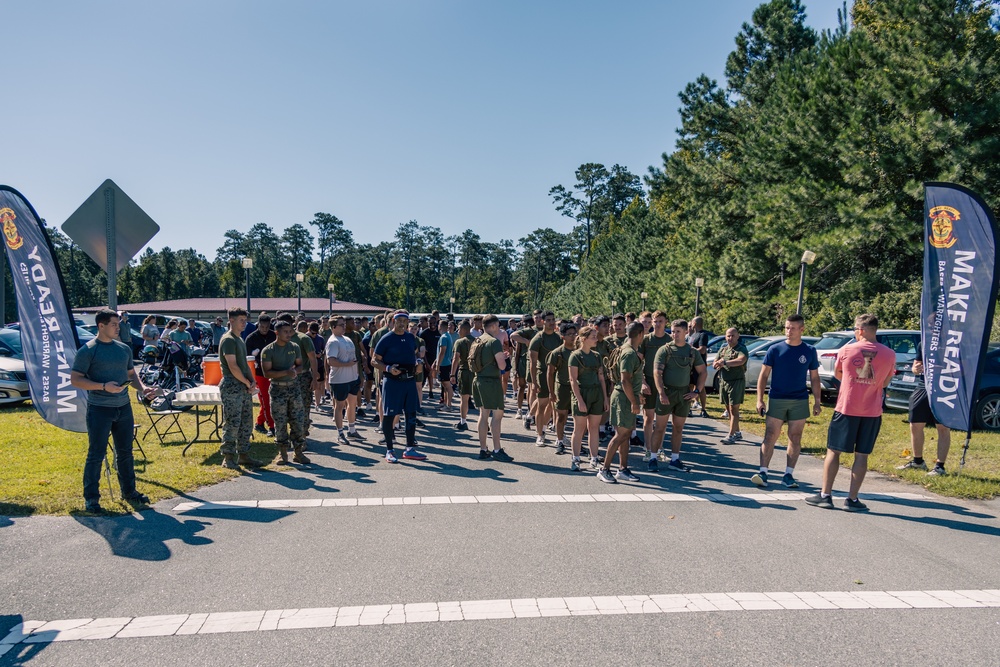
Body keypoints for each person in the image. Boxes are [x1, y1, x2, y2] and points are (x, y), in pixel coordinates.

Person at [71, 308, 158, 514]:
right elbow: (76, 379)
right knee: (96, 454)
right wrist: (103, 386)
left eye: (118, 324)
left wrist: (143, 388)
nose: (118, 328)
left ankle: (129, 492)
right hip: (99, 409)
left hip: (123, 408)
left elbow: (131, 374)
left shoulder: (123, 349)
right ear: (101, 326)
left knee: (125, 452)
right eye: (113, 324)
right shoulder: (88, 350)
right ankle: (91, 499)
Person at [806, 314, 895, 511]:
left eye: (855, 329)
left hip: (846, 408)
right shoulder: (889, 354)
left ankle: (825, 495)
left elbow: (839, 374)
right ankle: (852, 499)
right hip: (872, 411)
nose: (854, 333)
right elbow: (886, 381)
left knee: (834, 451)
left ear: (861, 330)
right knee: (862, 455)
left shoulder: (846, 349)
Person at [753, 313, 821, 488]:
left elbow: (814, 378)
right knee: (770, 435)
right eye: (786, 327)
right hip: (777, 398)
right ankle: (763, 472)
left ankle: (788, 475)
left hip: (799, 399)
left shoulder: (809, 351)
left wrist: (817, 401)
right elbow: (763, 375)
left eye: (792, 328)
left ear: (801, 329)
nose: (788, 331)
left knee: (795, 437)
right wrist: (759, 399)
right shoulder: (774, 349)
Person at [651, 319, 705, 473]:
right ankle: (652, 458)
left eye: (678, 331)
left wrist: (696, 392)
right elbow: (657, 373)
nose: (674, 334)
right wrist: (661, 392)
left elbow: (702, 372)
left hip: (684, 394)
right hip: (667, 392)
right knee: (659, 427)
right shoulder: (665, 350)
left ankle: (675, 459)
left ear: (686, 332)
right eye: (672, 331)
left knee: (678, 428)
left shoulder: (692, 352)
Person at [372, 311, 427, 463]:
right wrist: (388, 368)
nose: (402, 323)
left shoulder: (410, 337)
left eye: (405, 320)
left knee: (411, 415)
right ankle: (389, 450)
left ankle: (409, 449)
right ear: (393, 321)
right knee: (389, 416)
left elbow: (414, 354)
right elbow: (374, 361)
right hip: (392, 381)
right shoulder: (386, 338)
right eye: (399, 320)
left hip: (409, 381)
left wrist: (418, 363)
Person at [599, 321, 645, 483]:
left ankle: (622, 469)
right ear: (640, 334)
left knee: (625, 435)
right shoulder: (629, 353)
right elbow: (625, 381)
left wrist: (636, 396)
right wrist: (634, 402)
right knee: (620, 435)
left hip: (627, 396)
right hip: (623, 398)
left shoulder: (629, 349)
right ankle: (604, 469)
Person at [218, 307, 263, 470]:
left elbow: (244, 365)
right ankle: (228, 457)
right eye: (241, 320)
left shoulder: (239, 339)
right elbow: (233, 366)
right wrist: (246, 382)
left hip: (242, 386)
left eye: (245, 320)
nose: (245, 323)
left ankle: (243, 454)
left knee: (245, 422)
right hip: (232, 385)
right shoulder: (228, 339)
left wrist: (251, 381)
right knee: (232, 422)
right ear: (231, 321)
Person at [896, 347, 951, 476]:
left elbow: (962, 367)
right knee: (915, 424)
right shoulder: (925, 339)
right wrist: (915, 369)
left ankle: (940, 467)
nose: (930, 325)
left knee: (942, 426)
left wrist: (939, 368)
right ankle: (918, 461)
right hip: (923, 385)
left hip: (944, 386)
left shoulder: (951, 338)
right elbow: (915, 366)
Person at [261, 320, 309, 465]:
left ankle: (298, 453)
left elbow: (300, 365)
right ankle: (282, 454)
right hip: (277, 389)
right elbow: (266, 373)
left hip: (294, 388)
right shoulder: (268, 350)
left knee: (298, 421)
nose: (289, 334)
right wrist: (286, 372)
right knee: (280, 422)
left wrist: (295, 371)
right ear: (277, 333)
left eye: (290, 331)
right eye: (285, 332)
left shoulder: (294, 347)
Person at [472, 315, 514, 462]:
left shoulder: (478, 339)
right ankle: (497, 449)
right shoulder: (494, 342)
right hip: (492, 381)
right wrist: (505, 357)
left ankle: (483, 449)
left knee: (483, 416)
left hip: (478, 380)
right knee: (497, 416)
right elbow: (502, 366)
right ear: (494, 325)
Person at [568, 325, 608, 471]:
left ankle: (594, 457)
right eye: (593, 337)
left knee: (594, 428)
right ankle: (576, 458)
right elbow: (573, 380)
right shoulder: (575, 356)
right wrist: (579, 400)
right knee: (579, 428)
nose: (596, 339)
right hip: (582, 393)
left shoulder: (597, 356)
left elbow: (602, 378)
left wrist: (605, 398)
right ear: (584, 339)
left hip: (596, 394)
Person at [638, 311, 671, 457]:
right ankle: (648, 447)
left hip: (665, 383)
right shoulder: (646, 340)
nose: (657, 324)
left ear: (665, 322)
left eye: (661, 321)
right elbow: (638, 363)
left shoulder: (670, 340)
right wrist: (642, 382)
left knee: (662, 419)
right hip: (649, 381)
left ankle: (659, 448)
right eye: (655, 321)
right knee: (648, 417)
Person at [326, 317, 362, 444]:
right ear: (333, 327)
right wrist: (347, 364)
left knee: (352, 404)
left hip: (352, 378)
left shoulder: (347, 339)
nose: (344, 327)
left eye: (344, 324)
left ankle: (351, 430)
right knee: (339, 406)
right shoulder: (333, 341)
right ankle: (340, 433)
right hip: (339, 379)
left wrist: (357, 374)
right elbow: (331, 361)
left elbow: (354, 358)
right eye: (341, 325)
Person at [528, 310, 561, 447]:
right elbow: (533, 363)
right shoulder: (538, 339)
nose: (551, 322)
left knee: (553, 405)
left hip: (556, 375)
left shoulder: (558, 338)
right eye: (548, 320)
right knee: (542, 405)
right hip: (542, 374)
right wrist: (534, 382)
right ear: (542, 321)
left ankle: (543, 428)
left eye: (553, 320)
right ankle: (539, 435)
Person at [546, 322, 578, 455]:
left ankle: (576, 443)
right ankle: (559, 441)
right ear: (563, 336)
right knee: (561, 416)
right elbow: (550, 373)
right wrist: (551, 392)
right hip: (562, 387)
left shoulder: (579, 351)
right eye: (569, 334)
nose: (572, 337)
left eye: (574, 334)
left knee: (578, 417)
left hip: (577, 387)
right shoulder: (557, 353)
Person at [714, 328, 749, 444]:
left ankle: (731, 435)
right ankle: (737, 432)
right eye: (728, 336)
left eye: (733, 336)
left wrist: (725, 363)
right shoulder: (723, 349)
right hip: (724, 381)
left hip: (736, 381)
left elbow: (741, 360)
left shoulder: (741, 349)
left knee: (734, 408)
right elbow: (715, 361)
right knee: (729, 409)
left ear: (738, 336)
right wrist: (717, 363)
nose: (730, 338)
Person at [245, 314, 276, 437]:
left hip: (273, 371)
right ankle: (272, 427)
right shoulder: (251, 338)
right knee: (266, 400)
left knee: (270, 400)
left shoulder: (273, 335)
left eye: (267, 327)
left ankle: (259, 422)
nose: (264, 329)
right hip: (258, 374)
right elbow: (247, 358)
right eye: (262, 326)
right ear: (258, 325)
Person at [294, 319, 321, 438]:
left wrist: (314, 377)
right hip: (292, 376)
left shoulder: (304, 339)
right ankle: (298, 435)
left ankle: (302, 436)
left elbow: (312, 358)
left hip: (303, 375)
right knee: (298, 407)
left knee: (303, 406)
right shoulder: (283, 339)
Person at [452, 319, 476, 430]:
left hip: (464, 371)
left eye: (459, 329)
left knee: (464, 398)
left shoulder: (459, 342)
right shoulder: (477, 341)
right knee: (480, 400)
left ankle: (463, 421)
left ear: (463, 329)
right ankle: (484, 423)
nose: (458, 331)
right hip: (477, 372)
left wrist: (452, 374)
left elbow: (455, 359)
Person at [686, 316, 712, 417]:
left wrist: (690, 350)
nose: (691, 325)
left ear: (695, 323)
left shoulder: (703, 335)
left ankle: (703, 409)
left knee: (700, 387)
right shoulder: (692, 335)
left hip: (699, 365)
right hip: (690, 365)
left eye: (692, 322)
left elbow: (702, 349)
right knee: (689, 386)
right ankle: (688, 408)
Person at [435, 319, 456, 410]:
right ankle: (445, 403)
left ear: (440, 326)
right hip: (446, 363)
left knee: (447, 385)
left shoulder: (444, 337)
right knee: (444, 385)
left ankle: (449, 405)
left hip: (444, 364)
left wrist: (437, 365)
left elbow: (442, 352)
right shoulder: (448, 336)